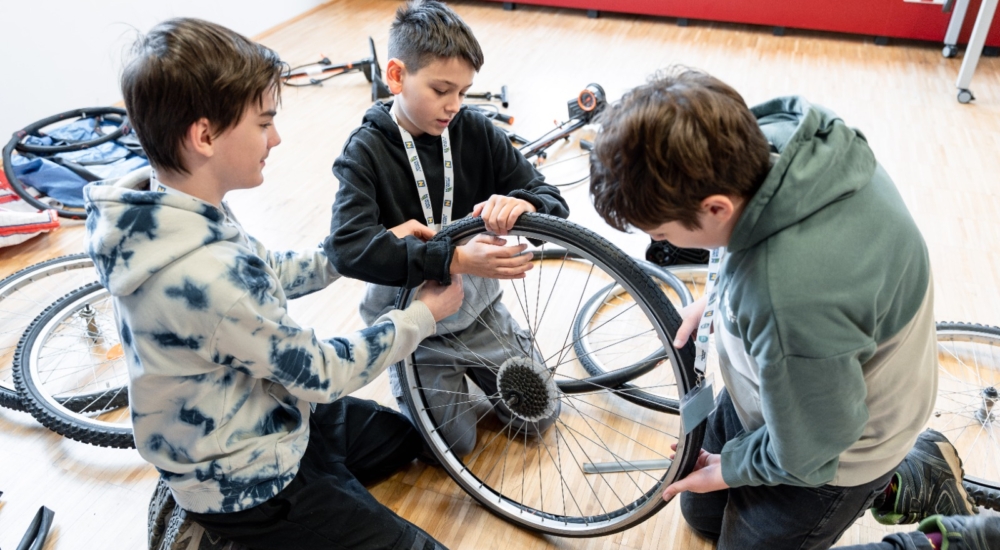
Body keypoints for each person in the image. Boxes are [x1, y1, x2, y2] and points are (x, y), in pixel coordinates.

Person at [84, 18, 463, 550]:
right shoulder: (211, 279)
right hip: (248, 484)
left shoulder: (174, 212)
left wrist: (365, 249)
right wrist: (422, 315)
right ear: (205, 135)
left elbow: (272, 268)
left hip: (269, 411)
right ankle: (217, 532)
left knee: (405, 440)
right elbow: (323, 372)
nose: (277, 137)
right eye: (264, 123)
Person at [587, 67, 983, 549]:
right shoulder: (774, 144)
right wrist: (721, 297)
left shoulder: (791, 297)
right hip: (799, 385)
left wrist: (733, 466)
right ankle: (905, 478)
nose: (659, 242)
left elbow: (811, 449)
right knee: (703, 514)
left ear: (715, 209)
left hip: (840, 449)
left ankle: (926, 512)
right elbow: (762, 255)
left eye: (662, 234)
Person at [324, 0, 569, 457]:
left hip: (481, 316)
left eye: (464, 91)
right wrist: (453, 258)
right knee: (454, 445)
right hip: (416, 328)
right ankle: (421, 373)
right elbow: (347, 247)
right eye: (441, 90)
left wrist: (522, 202)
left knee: (543, 414)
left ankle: (478, 366)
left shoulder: (473, 129)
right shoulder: (365, 151)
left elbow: (554, 202)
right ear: (396, 76)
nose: (454, 105)